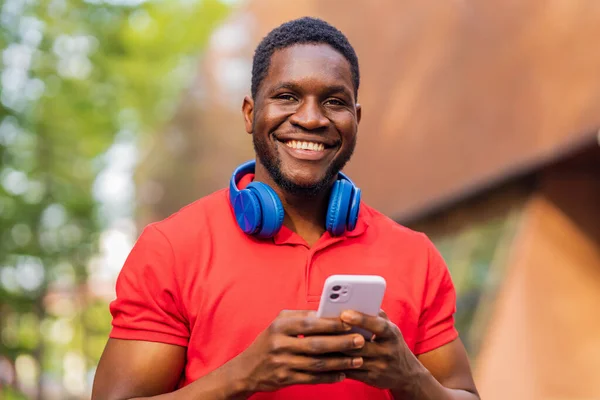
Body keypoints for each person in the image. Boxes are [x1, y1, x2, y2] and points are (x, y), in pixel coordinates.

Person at [92, 17, 480, 400]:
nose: (311, 118)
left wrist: (411, 378)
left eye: (334, 101)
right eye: (287, 96)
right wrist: (242, 376)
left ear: (355, 120)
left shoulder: (415, 256)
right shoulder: (172, 248)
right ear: (249, 113)